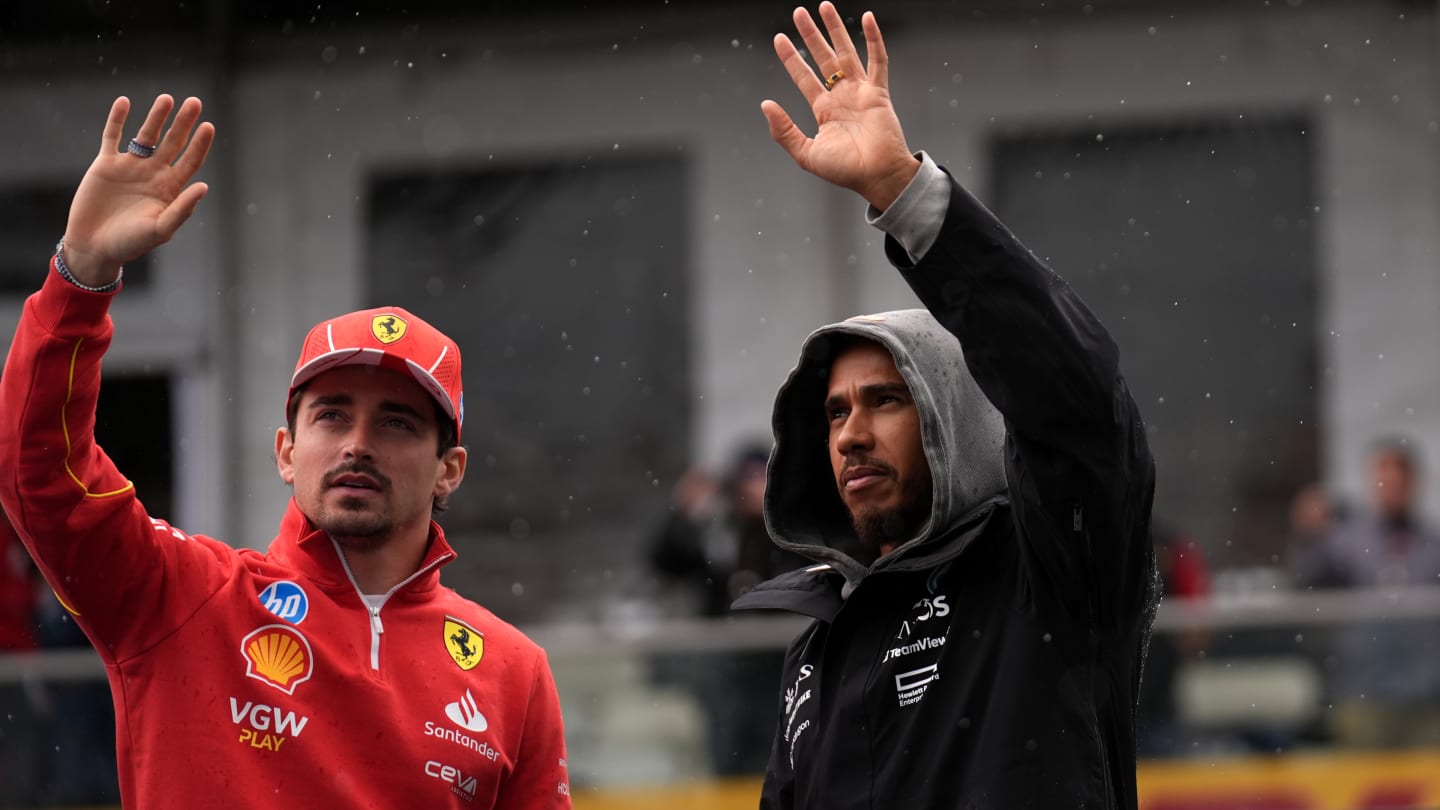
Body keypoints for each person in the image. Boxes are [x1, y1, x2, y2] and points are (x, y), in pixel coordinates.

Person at [0, 94, 570, 808]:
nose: (358, 444)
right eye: (332, 415)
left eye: (396, 423)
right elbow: (39, 471)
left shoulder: (514, 672)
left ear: (448, 470)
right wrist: (80, 275)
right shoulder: (182, 596)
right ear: (286, 451)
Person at [731, 5, 1156, 808]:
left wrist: (907, 195)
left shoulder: (1050, 564)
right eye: (833, 413)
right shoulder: (816, 650)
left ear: (953, 413)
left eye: (885, 400)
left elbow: (1073, 393)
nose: (851, 433)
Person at [1288, 438, 1440, 747]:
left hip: (1425, 694)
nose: (1390, 487)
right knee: (1363, 785)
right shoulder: (1346, 541)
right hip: (1363, 690)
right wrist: (1307, 534)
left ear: (1413, 483)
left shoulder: (1431, 545)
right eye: (1383, 478)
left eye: (1398, 479)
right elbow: (1306, 580)